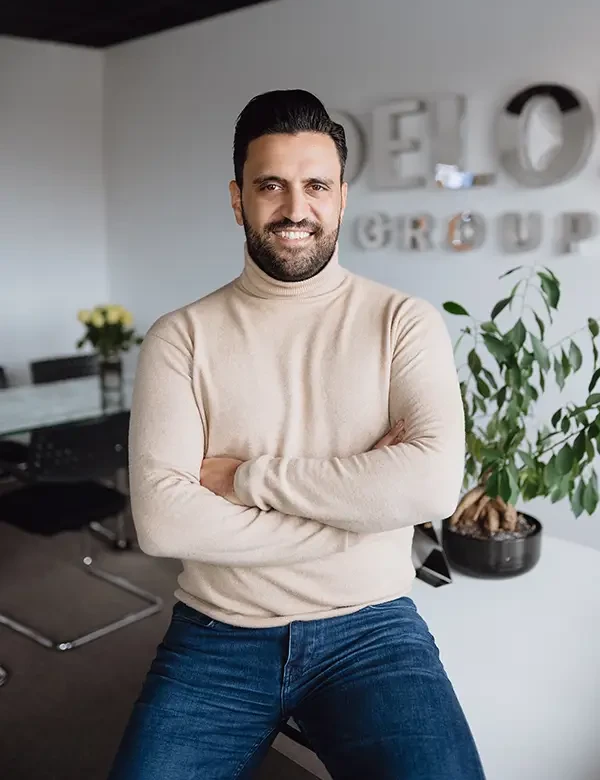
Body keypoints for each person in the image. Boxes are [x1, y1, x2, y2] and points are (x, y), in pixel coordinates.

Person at [109, 90, 485, 780]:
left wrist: (244, 480)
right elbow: (163, 523)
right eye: (270, 186)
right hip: (218, 630)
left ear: (342, 197)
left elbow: (431, 483)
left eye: (315, 185)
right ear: (237, 198)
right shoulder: (181, 338)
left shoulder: (403, 323)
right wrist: (360, 518)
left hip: (371, 626)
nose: (294, 208)